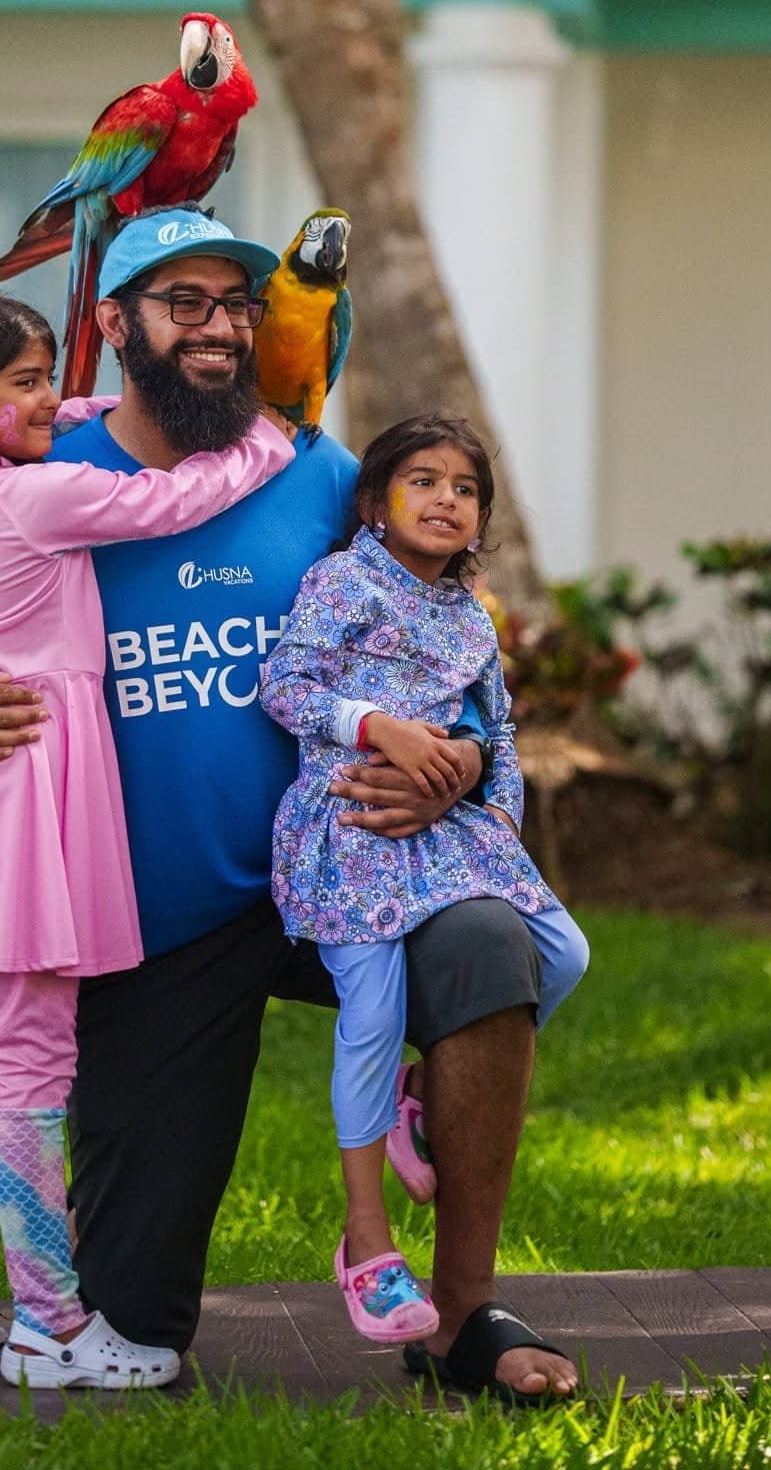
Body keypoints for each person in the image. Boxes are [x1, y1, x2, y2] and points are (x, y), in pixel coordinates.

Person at [0, 205, 582, 1403]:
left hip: (346, 875)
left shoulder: (323, 474)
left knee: (488, 945)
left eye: (238, 303)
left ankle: (457, 1314)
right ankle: (74, 1301)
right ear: (111, 323)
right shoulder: (44, 467)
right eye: (182, 301)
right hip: (151, 921)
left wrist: (454, 744)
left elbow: (443, 613)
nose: (218, 327)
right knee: (135, 1324)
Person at [0, 285, 294, 1392]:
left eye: (55, 373)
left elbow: (26, 427)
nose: (53, 398)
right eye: (28, 381)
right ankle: (50, 1321)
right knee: (36, 1066)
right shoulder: (38, 501)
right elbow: (178, 492)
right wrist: (268, 434)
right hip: (23, 807)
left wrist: (63, 400)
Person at [261, 414, 589, 1353]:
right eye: (422, 481)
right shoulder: (343, 582)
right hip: (355, 820)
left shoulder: (465, 616)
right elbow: (284, 685)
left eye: (464, 488)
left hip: (446, 833)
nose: (446, 499)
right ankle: (367, 1237)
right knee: (370, 1007)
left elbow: (500, 735)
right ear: (374, 503)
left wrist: (467, 770)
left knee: (562, 954)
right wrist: (379, 729)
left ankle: (419, 1097)